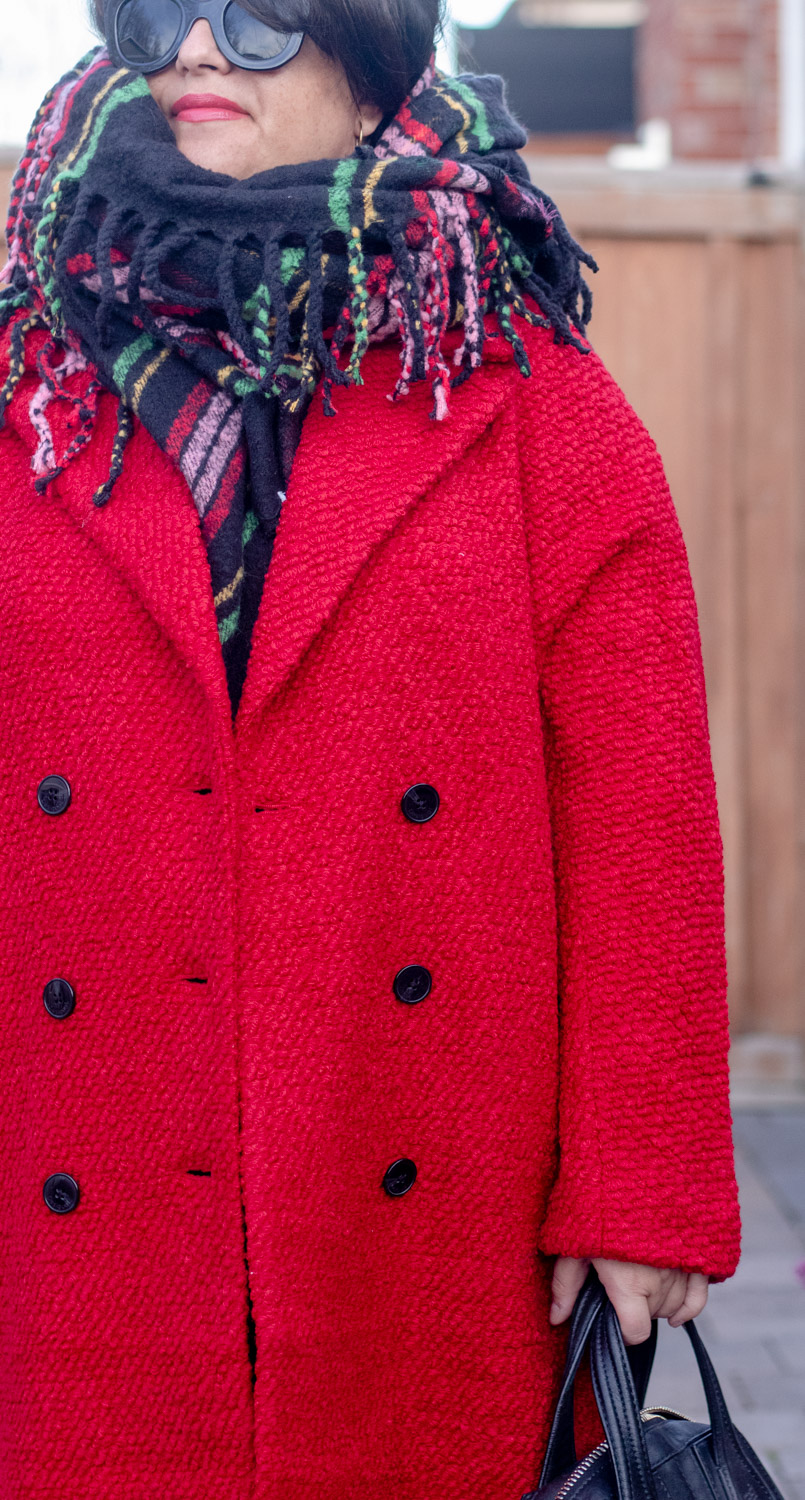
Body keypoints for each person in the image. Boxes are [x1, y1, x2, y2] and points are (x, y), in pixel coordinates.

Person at [0, 1, 741, 1496]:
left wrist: (640, 1183)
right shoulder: (35, 366)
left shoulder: (531, 395)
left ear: (372, 57)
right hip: (74, 1149)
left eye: (261, 21)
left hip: (416, 1155)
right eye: (160, 12)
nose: (198, 54)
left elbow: (637, 808)